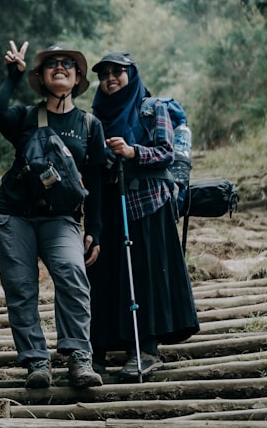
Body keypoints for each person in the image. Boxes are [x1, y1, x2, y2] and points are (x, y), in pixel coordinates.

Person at [0, 40, 106, 389]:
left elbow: (95, 181)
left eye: (68, 63)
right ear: (41, 75)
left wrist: (94, 229)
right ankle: (37, 361)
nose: (60, 67)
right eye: (51, 63)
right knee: (21, 288)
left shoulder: (89, 125)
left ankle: (79, 358)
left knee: (71, 271)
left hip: (61, 218)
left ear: (78, 76)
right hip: (12, 215)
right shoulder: (26, 116)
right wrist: (13, 76)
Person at [86, 51, 200, 380]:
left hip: (149, 205)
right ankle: (100, 350)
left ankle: (146, 351)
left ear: (132, 74)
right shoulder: (95, 117)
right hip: (110, 205)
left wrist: (132, 151)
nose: (110, 78)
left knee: (146, 276)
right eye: (105, 73)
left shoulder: (152, 109)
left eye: (117, 72)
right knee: (108, 276)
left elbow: (165, 152)